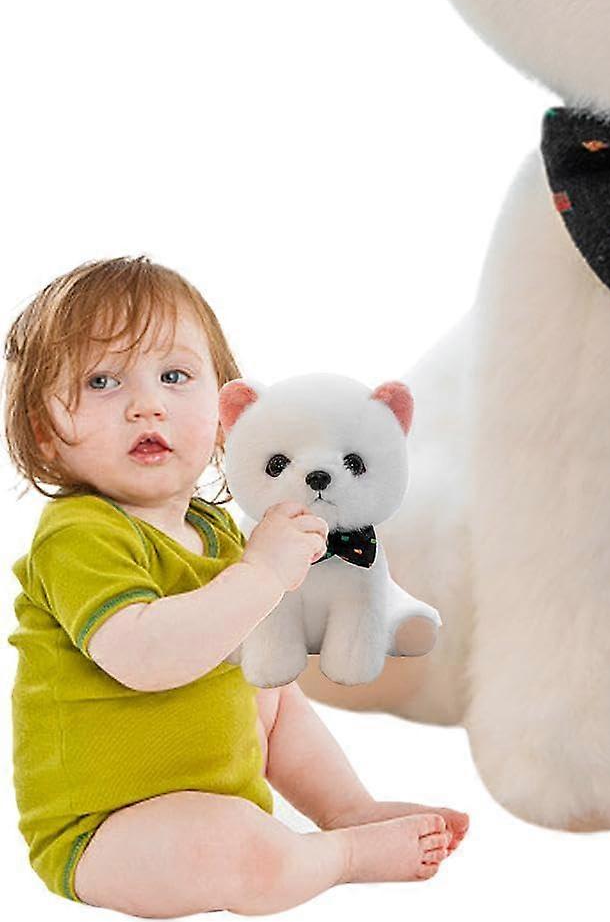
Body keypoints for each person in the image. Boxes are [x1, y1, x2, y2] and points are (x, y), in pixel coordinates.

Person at [6, 256, 468, 913]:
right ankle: (342, 856)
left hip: (215, 808)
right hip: (105, 831)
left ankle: (346, 809)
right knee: (233, 848)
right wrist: (262, 573)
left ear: (227, 416)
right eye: (102, 380)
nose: (146, 404)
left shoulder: (216, 531)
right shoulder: (79, 534)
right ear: (45, 431)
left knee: (273, 686)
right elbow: (146, 655)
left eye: (174, 376)